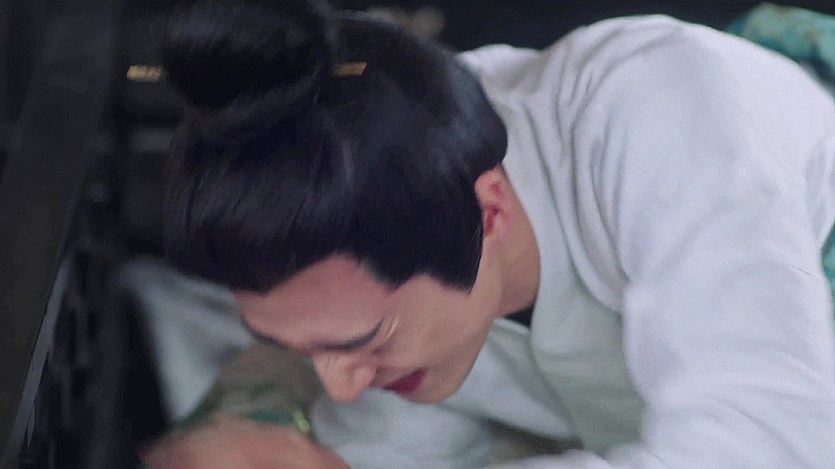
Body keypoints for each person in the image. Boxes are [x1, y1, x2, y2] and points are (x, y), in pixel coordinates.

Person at [144, 0, 835, 467]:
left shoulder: (667, 123)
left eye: (365, 341)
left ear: (490, 212)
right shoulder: (410, 232)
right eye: (300, 348)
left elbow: (771, 443)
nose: (341, 385)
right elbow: (393, 444)